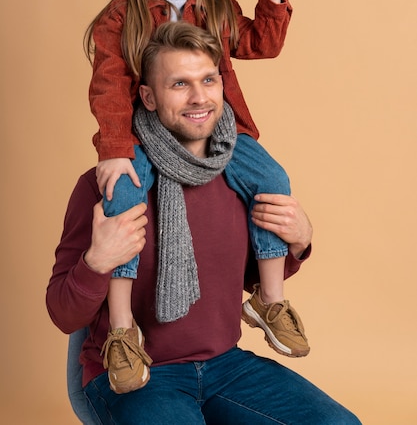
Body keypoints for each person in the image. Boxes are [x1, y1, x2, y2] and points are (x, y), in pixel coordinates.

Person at [46, 22, 361, 424]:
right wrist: (97, 262)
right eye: (179, 84)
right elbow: (63, 314)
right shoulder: (109, 186)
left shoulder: (241, 177)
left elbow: (232, 276)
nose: (199, 97)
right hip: (136, 377)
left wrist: (298, 244)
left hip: (225, 366)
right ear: (148, 96)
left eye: (208, 80)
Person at [83, 0, 307, 393]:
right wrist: (116, 149)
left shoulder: (215, 0)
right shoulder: (120, 17)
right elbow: (108, 85)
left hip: (219, 123)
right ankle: (122, 329)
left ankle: (269, 298)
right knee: (123, 195)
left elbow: (260, 45)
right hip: (150, 129)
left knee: (272, 179)